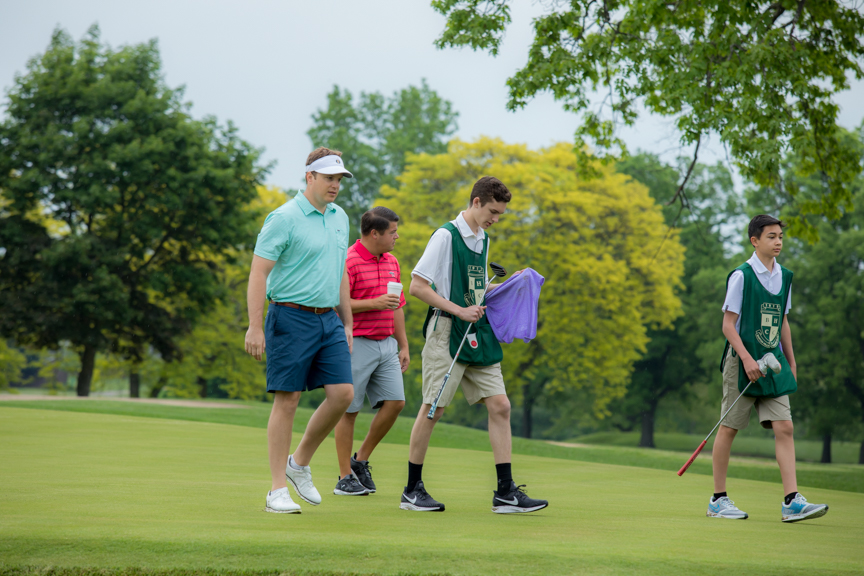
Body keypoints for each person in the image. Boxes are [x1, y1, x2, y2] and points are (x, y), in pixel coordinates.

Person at [401, 176, 548, 514]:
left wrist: (512, 285)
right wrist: (459, 310)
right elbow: (418, 287)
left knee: (501, 406)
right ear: (477, 201)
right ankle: (411, 490)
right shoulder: (445, 236)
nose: (495, 218)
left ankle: (505, 492)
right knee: (433, 409)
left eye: (501, 214)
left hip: (476, 333)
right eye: (493, 211)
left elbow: (476, 294)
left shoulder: (484, 238)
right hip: (446, 331)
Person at [245, 147, 355, 514]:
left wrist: (348, 320)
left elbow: (339, 271)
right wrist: (254, 326)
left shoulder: (341, 217)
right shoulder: (284, 217)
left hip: (329, 320)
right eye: (329, 179)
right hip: (289, 316)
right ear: (310, 177)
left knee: (343, 394)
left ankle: (299, 462)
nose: (335, 186)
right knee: (287, 400)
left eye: (339, 179)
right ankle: (277, 488)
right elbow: (259, 273)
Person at [709, 214, 828, 523]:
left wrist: (792, 361)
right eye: (772, 236)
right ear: (755, 241)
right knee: (730, 428)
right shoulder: (742, 276)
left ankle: (792, 501)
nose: (778, 242)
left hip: (773, 364)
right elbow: (727, 325)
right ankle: (718, 500)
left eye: (780, 237)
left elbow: (782, 322)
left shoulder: (784, 276)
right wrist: (747, 359)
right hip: (742, 363)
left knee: (784, 426)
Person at [332, 207, 410, 496]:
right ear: (374, 233)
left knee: (396, 402)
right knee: (348, 411)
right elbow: (337, 303)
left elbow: (397, 305)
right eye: (392, 232)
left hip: (387, 344)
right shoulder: (348, 260)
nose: (396, 236)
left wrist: (403, 344)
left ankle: (360, 460)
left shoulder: (392, 261)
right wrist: (373, 303)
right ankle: (344, 477)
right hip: (356, 343)